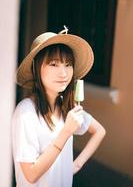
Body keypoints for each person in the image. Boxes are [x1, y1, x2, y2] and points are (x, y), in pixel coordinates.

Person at [12, 27, 106, 187]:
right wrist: (66, 132)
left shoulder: (67, 107)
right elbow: (31, 175)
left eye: (68, 64)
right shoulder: (26, 112)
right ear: (36, 68)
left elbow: (99, 131)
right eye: (54, 64)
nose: (63, 73)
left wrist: (76, 165)